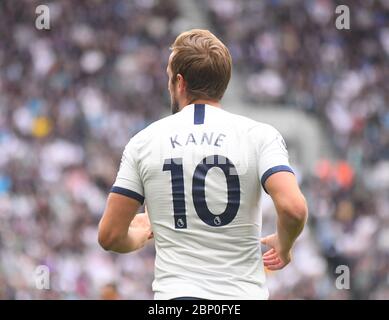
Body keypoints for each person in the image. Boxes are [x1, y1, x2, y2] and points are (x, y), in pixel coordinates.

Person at [98, 29, 308, 300]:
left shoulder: (144, 141)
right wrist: (284, 242)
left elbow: (110, 236)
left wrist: (141, 234)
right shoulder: (260, 136)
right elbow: (293, 209)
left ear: (180, 82)